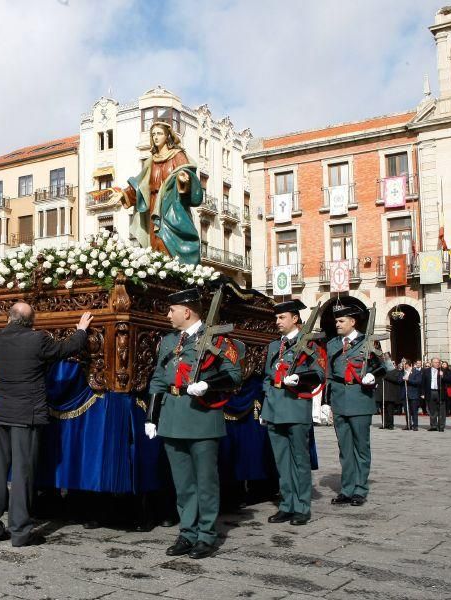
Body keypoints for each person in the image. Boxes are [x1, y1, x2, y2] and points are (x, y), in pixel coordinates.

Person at [146, 286, 245, 559]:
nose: (168, 315)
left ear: (186, 311)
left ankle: (206, 534)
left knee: (206, 482)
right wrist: (152, 416)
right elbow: (158, 379)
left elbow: (235, 375)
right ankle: (187, 533)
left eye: (172, 310)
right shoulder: (169, 342)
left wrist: (207, 384)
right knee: (183, 483)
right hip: (173, 418)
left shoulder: (219, 340)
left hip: (202, 418)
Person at [0, 302, 92, 547]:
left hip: (0, 411)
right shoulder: (37, 339)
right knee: (22, 473)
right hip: (26, 414)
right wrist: (81, 330)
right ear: (32, 321)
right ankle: (20, 532)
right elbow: (66, 349)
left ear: (9, 318)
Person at [261, 299, 325, 527]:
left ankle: (301, 507)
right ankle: (287, 505)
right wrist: (267, 399)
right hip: (274, 408)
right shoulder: (273, 347)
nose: (277, 322)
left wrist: (299, 378)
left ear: (295, 319)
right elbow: (267, 377)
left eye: (282, 317)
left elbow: (318, 373)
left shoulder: (309, 344)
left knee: (299, 459)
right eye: (276, 318)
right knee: (282, 461)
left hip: (296, 406)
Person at [325, 302, 392, 507]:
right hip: (339, 399)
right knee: (344, 448)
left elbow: (384, 366)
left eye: (341, 320)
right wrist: (326, 402)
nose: (337, 324)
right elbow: (329, 375)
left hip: (360, 398)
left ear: (352, 322)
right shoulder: (332, 344)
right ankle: (346, 489)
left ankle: (360, 489)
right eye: (336, 320)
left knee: (361, 447)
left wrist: (373, 374)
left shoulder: (369, 341)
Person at [110, 121, 204, 264]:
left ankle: (181, 277)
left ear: (167, 136)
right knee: (156, 244)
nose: (156, 137)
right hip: (154, 206)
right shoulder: (151, 161)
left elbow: (187, 173)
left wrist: (184, 179)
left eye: (159, 133)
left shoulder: (178, 155)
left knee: (170, 245)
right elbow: (142, 185)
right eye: (153, 134)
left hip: (172, 207)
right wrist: (124, 194)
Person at [420, 358, 446, 431]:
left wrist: (443, 376)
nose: (437, 364)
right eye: (435, 362)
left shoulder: (442, 370)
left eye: (438, 362)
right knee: (432, 410)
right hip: (430, 391)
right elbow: (423, 383)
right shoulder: (426, 371)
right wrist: (422, 393)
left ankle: (441, 426)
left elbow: (448, 380)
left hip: (439, 392)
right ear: (432, 363)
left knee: (441, 410)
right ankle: (433, 426)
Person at [399, 359, 422, 431]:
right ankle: (408, 424)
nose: (403, 365)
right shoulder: (402, 372)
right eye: (402, 364)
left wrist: (408, 380)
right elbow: (398, 380)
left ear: (408, 364)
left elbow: (418, 382)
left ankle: (415, 425)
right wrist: (402, 379)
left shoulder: (416, 372)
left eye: (404, 364)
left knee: (414, 410)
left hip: (413, 393)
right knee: (407, 410)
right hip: (405, 394)